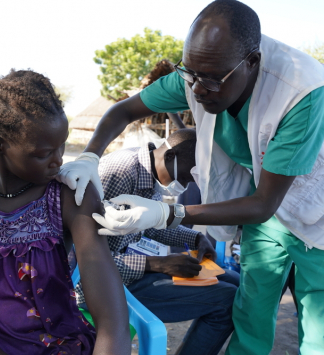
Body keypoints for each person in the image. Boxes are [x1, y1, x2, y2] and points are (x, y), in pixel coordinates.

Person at [57, 1, 324, 354]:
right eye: (190, 74)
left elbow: (262, 204)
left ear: (252, 63)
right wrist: (91, 155)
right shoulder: (122, 170)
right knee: (249, 309)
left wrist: (169, 215)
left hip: (313, 211)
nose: (197, 90)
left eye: (211, 79)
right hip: (257, 214)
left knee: (316, 322)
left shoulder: (301, 93)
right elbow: (123, 110)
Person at [0, 70, 130, 355]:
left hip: (54, 345)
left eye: (63, 145)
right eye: (43, 153)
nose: (59, 160)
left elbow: (111, 321)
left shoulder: (70, 195)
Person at [72, 129, 239, 354]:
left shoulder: (150, 169)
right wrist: (158, 264)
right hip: (101, 285)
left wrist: (196, 238)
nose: (188, 185)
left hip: (129, 268)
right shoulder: (120, 172)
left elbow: (149, 224)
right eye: (187, 177)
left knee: (236, 282)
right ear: (170, 156)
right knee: (227, 300)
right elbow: (86, 262)